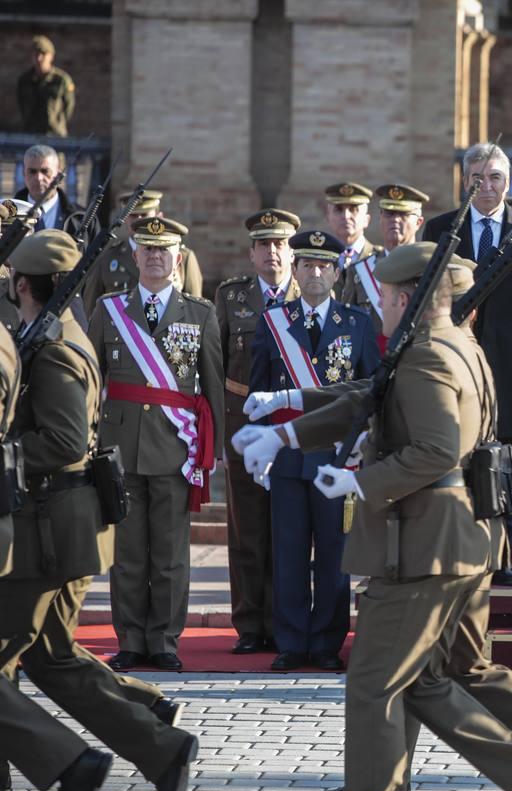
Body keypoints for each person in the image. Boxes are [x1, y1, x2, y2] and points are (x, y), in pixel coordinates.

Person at [235, 244, 512, 791]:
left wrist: (360, 484)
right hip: (459, 539)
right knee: (430, 679)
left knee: (379, 684)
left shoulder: (429, 355)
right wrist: (288, 419)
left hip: (424, 544)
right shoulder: (452, 343)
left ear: (404, 298)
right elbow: (372, 396)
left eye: (382, 293)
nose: (376, 301)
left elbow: (435, 449)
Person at [0, 230, 198, 791]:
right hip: (61, 527)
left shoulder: (56, 347)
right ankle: (161, 750)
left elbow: (61, 441)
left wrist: (5, 448)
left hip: (52, 530)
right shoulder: (56, 335)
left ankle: (71, 763)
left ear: (24, 285)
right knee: (53, 659)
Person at [87, 216, 224, 671]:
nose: (154, 256)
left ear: (178, 258)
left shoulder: (200, 313)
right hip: (120, 450)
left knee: (168, 555)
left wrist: (212, 449)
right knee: (127, 553)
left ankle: (164, 640)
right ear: (133, 255)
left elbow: (212, 391)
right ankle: (129, 639)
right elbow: (93, 383)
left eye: (163, 250)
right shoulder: (109, 311)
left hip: (174, 449)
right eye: (147, 248)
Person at [424, 146, 512, 585]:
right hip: (454, 363)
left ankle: (505, 552)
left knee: (506, 461)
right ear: (466, 182)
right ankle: (458, 546)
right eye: (478, 178)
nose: (488, 186)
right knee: (458, 454)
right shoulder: (442, 228)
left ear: (508, 181)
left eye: (496, 177)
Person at [244, 229, 380, 672]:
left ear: (337, 272)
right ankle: (291, 642)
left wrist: (361, 444)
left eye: (324, 265)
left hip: (336, 458)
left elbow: (371, 390)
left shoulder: (357, 323)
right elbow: (260, 389)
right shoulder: (274, 322)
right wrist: (260, 447)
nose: (315, 271)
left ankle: (325, 642)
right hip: (287, 456)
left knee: (334, 554)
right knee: (288, 551)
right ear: (296, 271)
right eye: (306, 264)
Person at [213, 208, 303, 655]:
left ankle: (286, 620)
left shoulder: (312, 293)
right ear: (251, 254)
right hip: (242, 423)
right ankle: (250, 623)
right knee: (246, 527)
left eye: (280, 244)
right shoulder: (232, 298)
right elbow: (215, 366)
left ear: (292, 250)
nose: (273, 252)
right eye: (264, 244)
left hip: (294, 427)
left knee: (290, 528)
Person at [79, 190, 205, 306]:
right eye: (133, 215)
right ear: (125, 219)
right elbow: (90, 310)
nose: (138, 221)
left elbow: (194, 311)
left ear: (159, 217)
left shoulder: (184, 258)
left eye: (144, 215)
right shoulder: (106, 257)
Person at [337, 183, 425, 327]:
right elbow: (346, 325)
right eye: (389, 213)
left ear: (419, 222)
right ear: (380, 218)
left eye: (403, 214)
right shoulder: (359, 270)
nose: (395, 220)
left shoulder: (429, 268)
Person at [11, 143, 83, 236]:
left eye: (45, 171)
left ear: (58, 175)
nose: (39, 178)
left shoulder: (80, 218)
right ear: (23, 173)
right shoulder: (7, 217)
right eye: (32, 171)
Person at [16, 36, 75, 137]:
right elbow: (22, 106)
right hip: (31, 133)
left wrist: (56, 123)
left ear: (51, 56)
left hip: (55, 135)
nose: (39, 58)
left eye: (43, 54)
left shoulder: (61, 80)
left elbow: (68, 108)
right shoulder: (25, 80)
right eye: (36, 54)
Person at [325, 181, 382, 275]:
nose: (346, 216)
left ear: (366, 220)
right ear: (328, 218)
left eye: (353, 210)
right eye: (338, 210)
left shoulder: (381, 259)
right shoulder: (319, 260)